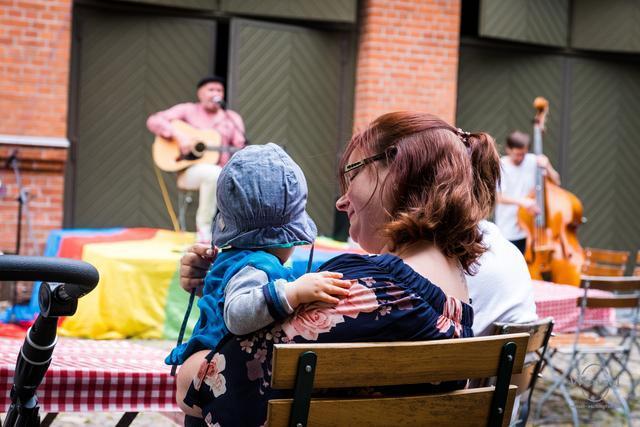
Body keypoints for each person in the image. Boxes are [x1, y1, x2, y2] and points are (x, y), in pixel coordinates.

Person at [175, 112, 500, 426]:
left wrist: (214, 315)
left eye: (352, 173)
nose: (340, 202)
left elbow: (197, 390)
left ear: (396, 173)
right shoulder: (452, 297)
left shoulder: (365, 290)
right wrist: (222, 285)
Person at [165, 143, 353, 367]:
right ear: (286, 237)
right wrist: (293, 292)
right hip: (223, 371)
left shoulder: (237, 259)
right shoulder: (256, 266)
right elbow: (236, 316)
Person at [146, 76, 246, 243]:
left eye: (219, 90)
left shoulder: (232, 118)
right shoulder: (187, 110)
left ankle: (237, 235)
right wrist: (179, 136)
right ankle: (204, 230)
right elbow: (154, 120)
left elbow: (240, 147)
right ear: (200, 93)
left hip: (224, 172)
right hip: (189, 172)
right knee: (214, 174)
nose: (215, 93)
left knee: (230, 176)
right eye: (211, 90)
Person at [494, 130, 560, 254]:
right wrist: (523, 202)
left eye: (523, 154)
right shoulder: (501, 165)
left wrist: (548, 166)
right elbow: (498, 197)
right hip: (507, 228)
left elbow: (556, 182)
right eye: (517, 154)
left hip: (531, 229)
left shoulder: (533, 161)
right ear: (508, 149)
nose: (520, 158)